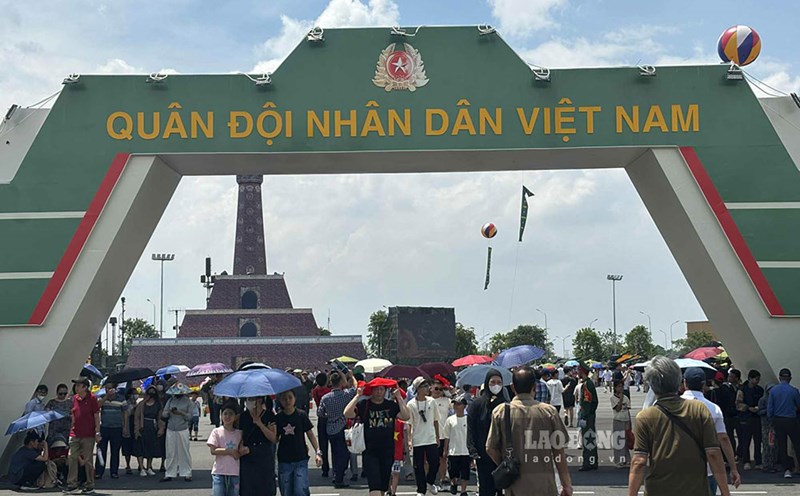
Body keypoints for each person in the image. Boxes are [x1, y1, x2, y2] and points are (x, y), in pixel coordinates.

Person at [627, 356, 730, 496]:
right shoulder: (699, 409)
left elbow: (639, 462)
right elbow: (713, 454)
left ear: (651, 384)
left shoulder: (645, 417)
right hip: (695, 489)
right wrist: (725, 491)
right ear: (679, 381)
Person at [486, 366, 572, 496]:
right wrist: (566, 484)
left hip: (514, 486)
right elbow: (558, 451)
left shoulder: (501, 411)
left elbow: (490, 448)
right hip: (544, 485)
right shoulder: (549, 412)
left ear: (512, 387)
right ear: (534, 387)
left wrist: (506, 464)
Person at [344, 378, 410, 496]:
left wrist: (399, 397)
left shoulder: (391, 405)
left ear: (385, 391)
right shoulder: (365, 405)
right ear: (371, 391)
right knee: (374, 486)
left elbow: (406, 416)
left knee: (383, 487)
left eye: (381, 389)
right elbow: (347, 413)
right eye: (376, 389)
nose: (379, 392)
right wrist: (358, 396)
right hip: (370, 451)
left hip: (387, 451)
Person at [681, 367, 741, 495]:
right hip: (707, 468)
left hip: (679, 468)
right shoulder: (713, 408)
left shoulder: (673, 406)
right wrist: (733, 468)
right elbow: (723, 438)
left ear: (685, 382)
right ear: (704, 384)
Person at [467, 368, 506, 496]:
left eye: (499, 383)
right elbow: (471, 429)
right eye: (492, 382)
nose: (496, 385)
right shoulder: (477, 405)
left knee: (503, 489)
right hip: (483, 455)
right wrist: (472, 450)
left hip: (502, 455)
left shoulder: (506, 405)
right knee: (486, 489)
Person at [275, 389, 322, 496]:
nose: (287, 401)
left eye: (290, 397)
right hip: (284, 459)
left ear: (295, 398)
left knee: (300, 490)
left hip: (301, 458)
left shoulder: (301, 415)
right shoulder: (278, 418)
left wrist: (318, 452)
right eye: (284, 398)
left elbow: (310, 434)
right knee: (286, 491)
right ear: (280, 401)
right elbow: (274, 439)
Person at [317, 370, 357, 489]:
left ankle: (336, 474)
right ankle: (339, 477)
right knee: (344, 454)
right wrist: (351, 376)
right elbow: (356, 388)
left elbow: (320, 413)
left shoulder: (325, 397)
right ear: (341, 382)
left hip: (330, 428)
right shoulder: (346, 394)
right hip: (342, 427)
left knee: (335, 453)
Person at [64, 376, 100, 494]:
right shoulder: (74, 398)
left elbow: (96, 415)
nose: (76, 387)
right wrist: (71, 429)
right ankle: (72, 484)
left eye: (79, 385)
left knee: (87, 460)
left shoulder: (92, 398)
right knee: (72, 457)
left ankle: (89, 484)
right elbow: (73, 415)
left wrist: (97, 432)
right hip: (75, 433)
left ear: (85, 387)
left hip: (88, 434)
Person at [407, 376, 442, 496]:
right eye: (425, 386)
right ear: (418, 389)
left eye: (428, 385)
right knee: (419, 466)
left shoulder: (432, 401)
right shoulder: (411, 404)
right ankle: (421, 490)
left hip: (431, 437)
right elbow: (409, 424)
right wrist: (409, 439)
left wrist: (437, 436)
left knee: (435, 462)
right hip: (418, 438)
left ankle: (430, 482)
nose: (428, 388)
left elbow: (436, 420)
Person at [239, 396, 277, 496]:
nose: (248, 402)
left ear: (259, 400)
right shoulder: (243, 416)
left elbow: (273, 438)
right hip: (247, 455)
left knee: (265, 488)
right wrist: (240, 447)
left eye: (251, 399)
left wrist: (260, 424)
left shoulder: (269, 415)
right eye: (247, 399)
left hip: (264, 454)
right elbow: (240, 435)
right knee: (248, 489)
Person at [767, 368, 800, 478]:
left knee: (782, 445)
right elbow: (799, 404)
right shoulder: (794, 391)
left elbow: (770, 408)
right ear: (790, 378)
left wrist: (770, 420)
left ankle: (787, 470)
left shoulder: (773, 391)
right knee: (797, 444)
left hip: (778, 420)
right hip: (791, 419)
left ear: (780, 378)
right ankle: (798, 466)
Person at [207, 403, 243, 496]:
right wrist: (229, 451)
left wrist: (242, 451)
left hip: (234, 472)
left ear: (235, 417)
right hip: (219, 472)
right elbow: (213, 450)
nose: (227, 416)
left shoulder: (239, 433)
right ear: (221, 415)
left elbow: (240, 451)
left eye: (231, 414)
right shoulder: (216, 432)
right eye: (225, 413)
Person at [160, 384, 193, 482]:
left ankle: (187, 472)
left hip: (182, 428)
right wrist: (169, 412)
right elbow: (164, 414)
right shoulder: (170, 400)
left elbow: (190, 417)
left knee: (184, 451)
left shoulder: (188, 402)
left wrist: (181, 413)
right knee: (170, 451)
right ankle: (170, 473)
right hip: (171, 428)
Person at [96, 382, 126, 479]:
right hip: (104, 427)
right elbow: (97, 406)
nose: (108, 390)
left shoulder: (121, 398)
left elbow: (125, 412)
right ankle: (99, 471)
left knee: (115, 450)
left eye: (110, 388)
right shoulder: (102, 397)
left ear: (115, 389)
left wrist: (125, 426)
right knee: (101, 450)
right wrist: (106, 396)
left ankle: (114, 471)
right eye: (106, 388)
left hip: (117, 427)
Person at [736, 369, 764, 470]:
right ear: (750, 379)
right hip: (746, 417)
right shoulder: (742, 390)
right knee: (745, 440)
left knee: (758, 440)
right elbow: (738, 404)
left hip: (756, 417)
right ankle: (746, 461)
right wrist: (748, 408)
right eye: (756, 379)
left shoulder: (760, 390)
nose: (758, 381)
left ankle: (758, 461)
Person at [442, 395, 470, 496]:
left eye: (459, 404)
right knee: (452, 472)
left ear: (464, 406)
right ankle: (453, 483)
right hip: (453, 451)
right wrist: (445, 450)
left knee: (465, 473)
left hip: (465, 451)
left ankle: (463, 490)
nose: (456, 406)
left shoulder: (468, 419)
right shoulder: (450, 420)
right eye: (455, 404)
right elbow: (446, 436)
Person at [134, 386, 164, 476]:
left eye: (153, 392)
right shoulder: (141, 404)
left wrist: (161, 428)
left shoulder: (158, 404)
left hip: (152, 427)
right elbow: (137, 417)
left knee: (150, 447)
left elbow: (160, 418)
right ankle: (141, 468)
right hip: (142, 427)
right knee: (140, 447)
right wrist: (136, 429)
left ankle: (149, 467)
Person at [710, 370, 739, 458]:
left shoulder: (727, 389)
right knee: (728, 436)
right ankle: (731, 455)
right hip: (727, 415)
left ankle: (731, 455)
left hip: (728, 415)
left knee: (728, 436)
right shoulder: (723, 389)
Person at [430, 376, 452, 488]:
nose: (438, 391)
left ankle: (443, 479)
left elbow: (459, 406)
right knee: (430, 460)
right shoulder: (427, 401)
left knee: (443, 459)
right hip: (429, 435)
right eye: (436, 389)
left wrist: (449, 392)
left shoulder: (447, 401)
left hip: (443, 434)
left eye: (440, 389)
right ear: (431, 388)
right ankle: (429, 481)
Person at [576, 362, 598, 471]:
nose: (577, 372)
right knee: (590, 439)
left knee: (587, 439)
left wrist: (584, 415)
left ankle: (588, 463)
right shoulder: (588, 383)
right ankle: (592, 462)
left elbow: (588, 402)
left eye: (579, 370)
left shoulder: (586, 385)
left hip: (587, 416)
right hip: (589, 415)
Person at [311, 373, 331, 478]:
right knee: (334, 444)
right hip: (331, 417)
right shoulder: (329, 391)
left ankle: (325, 468)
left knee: (323, 445)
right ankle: (337, 469)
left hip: (321, 417)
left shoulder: (315, 391)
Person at [610, 381, 632, 467]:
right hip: (618, 420)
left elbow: (628, 410)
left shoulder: (626, 398)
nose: (621, 388)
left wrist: (630, 422)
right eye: (619, 386)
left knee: (626, 440)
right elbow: (617, 409)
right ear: (615, 388)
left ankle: (627, 459)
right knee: (619, 440)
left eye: (622, 386)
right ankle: (619, 460)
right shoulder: (613, 398)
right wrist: (621, 399)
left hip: (626, 420)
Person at [121, 388, 140, 476]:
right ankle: (128, 465)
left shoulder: (138, 403)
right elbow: (126, 414)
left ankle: (140, 464)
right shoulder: (126, 403)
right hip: (128, 425)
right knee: (127, 447)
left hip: (135, 426)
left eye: (137, 393)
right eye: (134, 393)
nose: (136, 395)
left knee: (137, 446)